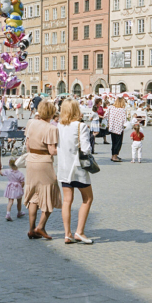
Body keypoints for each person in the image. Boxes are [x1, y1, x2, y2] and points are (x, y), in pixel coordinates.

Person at [57, 100, 94, 245]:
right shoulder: (81, 126)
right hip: (78, 169)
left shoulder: (59, 126)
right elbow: (86, 149)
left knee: (67, 201)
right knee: (88, 199)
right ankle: (80, 231)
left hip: (64, 169)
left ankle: (67, 234)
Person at [23, 100, 62, 240]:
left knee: (33, 195)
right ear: (52, 113)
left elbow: (27, 144)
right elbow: (52, 151)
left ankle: (31, 229)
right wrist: (66, 151)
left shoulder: (31, 123)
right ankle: (41, 226)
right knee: (49, 194)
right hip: (44, 162)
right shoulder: (51, 128)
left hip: (31, 160)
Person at [0, 157, 25, 221]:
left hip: (10, 188)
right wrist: (21, 187)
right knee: (19, 201)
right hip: (17, 188)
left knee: (10, 201)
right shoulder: (20, 174)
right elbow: (23, 182)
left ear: (9, 164)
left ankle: (8, 214)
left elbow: (1, 174)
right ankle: (19, 212)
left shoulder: (8, 171)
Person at [105, 97, 127, 162]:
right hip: (119, 128)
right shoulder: (122, 110)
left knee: (114, 142)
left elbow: (105, 115)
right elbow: (124, 120)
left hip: (112, 127)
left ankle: (113, 155)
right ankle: (115, 156)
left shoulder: (110, 108)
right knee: (118, 143)